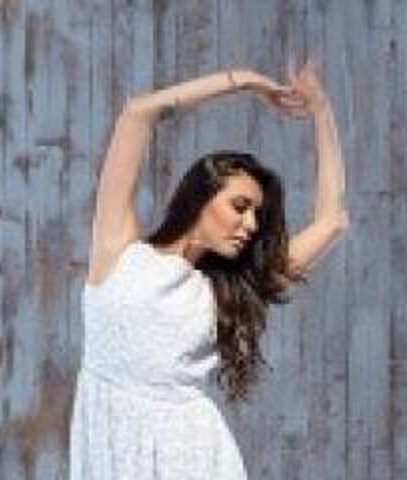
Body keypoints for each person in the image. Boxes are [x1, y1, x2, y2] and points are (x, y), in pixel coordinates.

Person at [69, 60, 349, 479]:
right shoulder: (119, 251)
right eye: (240, 206)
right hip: (109, 451)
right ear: (201, 198)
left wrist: (321, 111)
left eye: (256, 215)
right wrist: (245, 81)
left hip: (195, 459)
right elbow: (137, 114)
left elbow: (333, 221)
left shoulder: (224, 291)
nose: (250, 224)